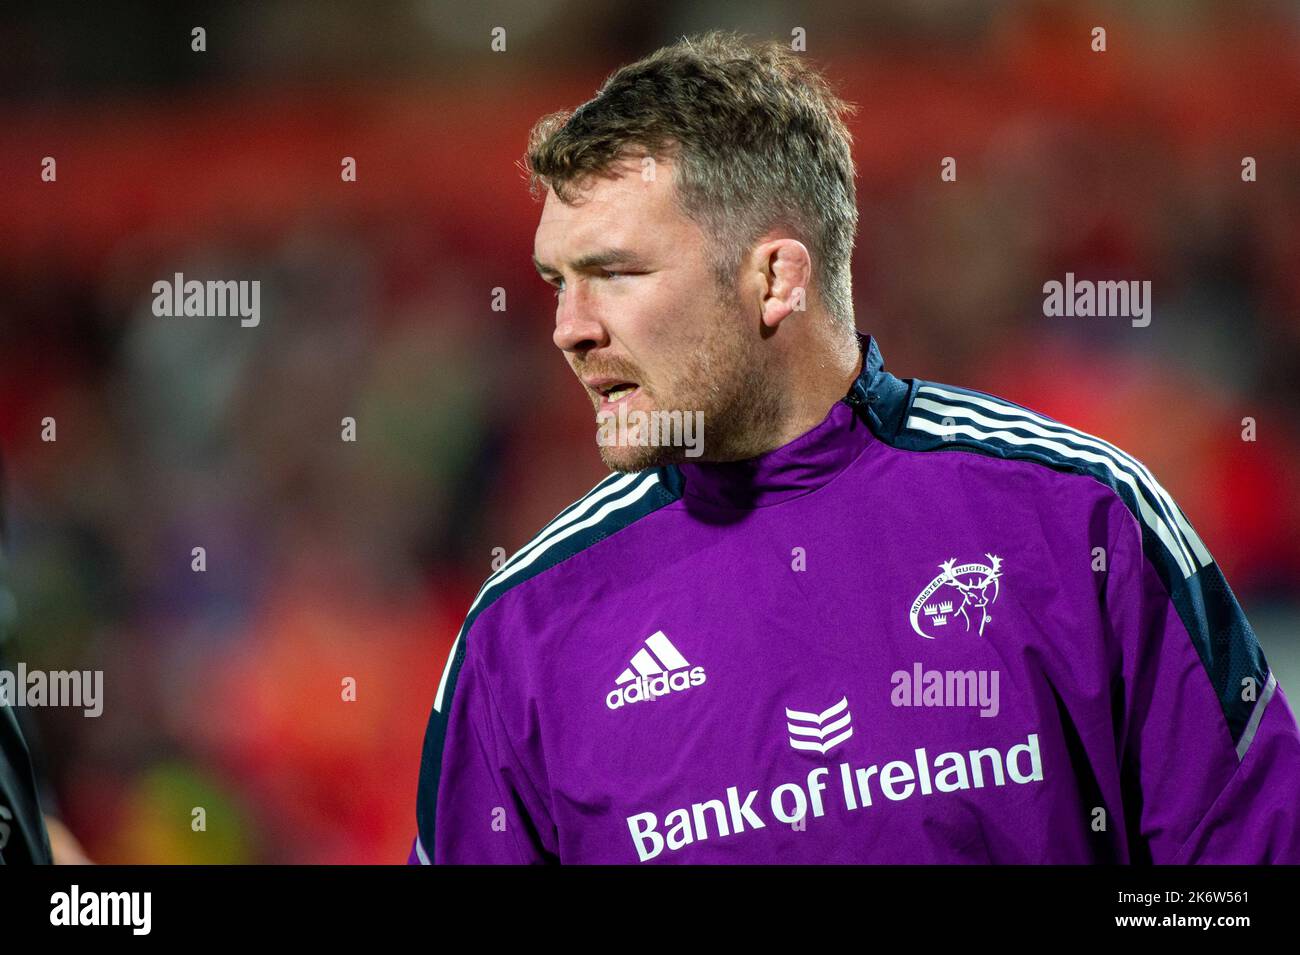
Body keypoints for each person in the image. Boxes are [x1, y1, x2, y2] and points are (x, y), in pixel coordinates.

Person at [411, 31, 1300, 864]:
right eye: (555, 282)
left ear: (776, 279)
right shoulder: (520, 636)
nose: (568, 329)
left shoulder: (1077, 518)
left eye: (613, 273)